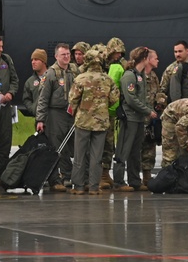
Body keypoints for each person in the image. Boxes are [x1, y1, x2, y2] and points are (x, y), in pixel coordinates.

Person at [67, 48, 119, 194]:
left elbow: (72, 99)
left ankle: (78, 186)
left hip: (83, 121)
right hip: (101, 122)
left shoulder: (80, 78)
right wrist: (103, 106)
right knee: (97, 156)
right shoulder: (108, 79)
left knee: (80, 155)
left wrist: (79, 110)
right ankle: (94, 187)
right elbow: (115, 98)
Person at [35, 43, 76, 191]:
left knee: (70, 146)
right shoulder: (51, 74)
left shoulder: (74, 71)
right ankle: (54, 178)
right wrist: (40, 119)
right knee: (56, 146)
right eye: (63, 54)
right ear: (56, 56)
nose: (66, 57)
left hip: (71, 113)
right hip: (55, 113)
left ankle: (67, 176)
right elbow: (43, 98)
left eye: (68, 54)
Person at [118, 46, 159, 191]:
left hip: (139, 118)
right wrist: (148, 111)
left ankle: (134, 180)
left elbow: (143, 97)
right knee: (123, 150)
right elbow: (131, 99)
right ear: (144, 58)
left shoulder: (140, 76)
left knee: (135, 151)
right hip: (130, 118)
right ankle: (118, 182)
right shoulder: (130, 76)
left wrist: (149, 110)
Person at [0, 36, 20, 183]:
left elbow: (15, 79)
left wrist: (11, 93)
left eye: (2, 46)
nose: (1, 50)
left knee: (4, 142)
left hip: (5, 108)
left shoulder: (6, 60)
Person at [102, 37, 128, 189]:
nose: (119, 56)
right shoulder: (102, 65)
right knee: (102, 142)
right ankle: (100, 174)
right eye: (117, 52)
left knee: (110, 143)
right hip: (101, 110)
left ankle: (106, 172)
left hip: (112, 110)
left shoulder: (119, 65)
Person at [19, 49, 48, 117]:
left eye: (36, 59)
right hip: (39, 118)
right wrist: (33, 109)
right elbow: (26, 99)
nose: (33, 62)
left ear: (43, 61)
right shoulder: (30, 82)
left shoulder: (53, 77)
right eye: (32, 60)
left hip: (54, 118)